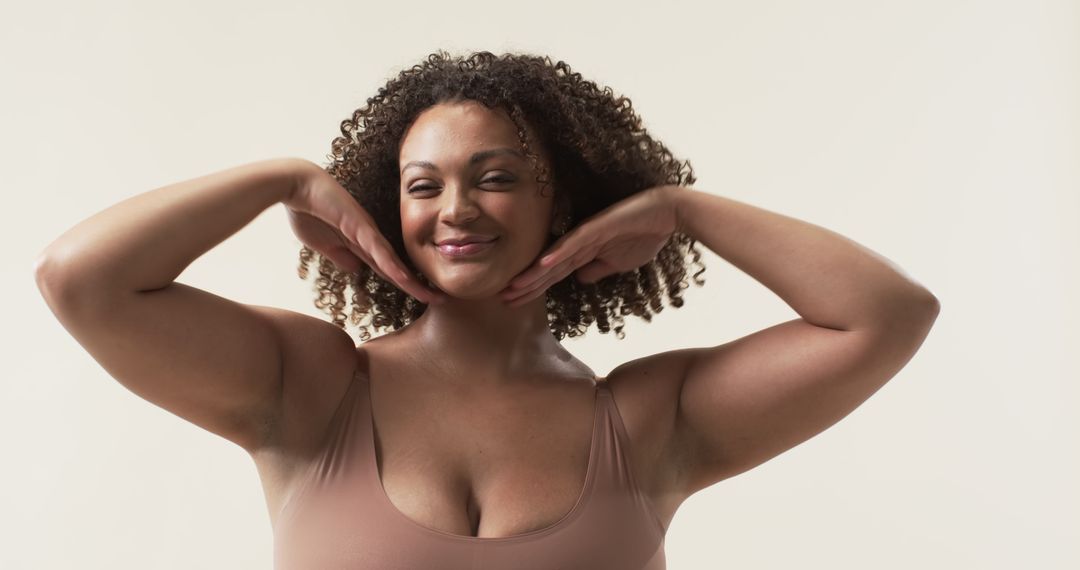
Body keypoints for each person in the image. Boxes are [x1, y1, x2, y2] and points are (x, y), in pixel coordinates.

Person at [33, 50, 941, 569]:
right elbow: (81, 279)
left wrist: (684, 211)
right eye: (422, 185)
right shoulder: (310, 387)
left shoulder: (645, 422)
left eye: (497, 178)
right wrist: (282, 178)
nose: (456, 209)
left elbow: (886, 314)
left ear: (568, 202)